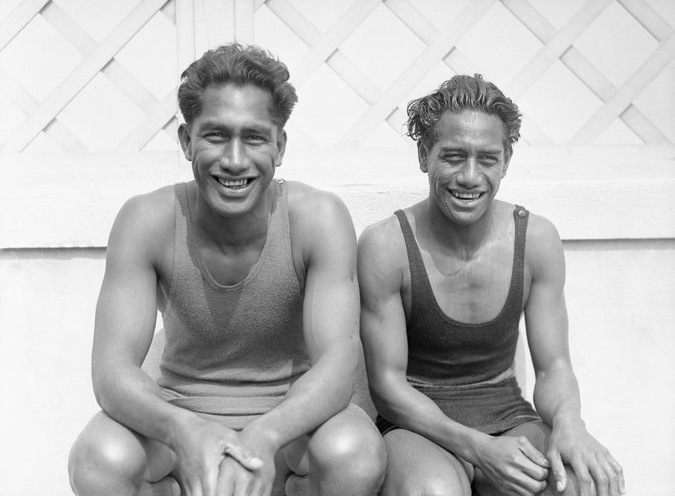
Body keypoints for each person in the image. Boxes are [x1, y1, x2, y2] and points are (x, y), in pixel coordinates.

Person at [68, 43, 385, 496]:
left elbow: (338, 364)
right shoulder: (147, 221)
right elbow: (111, 370)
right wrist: (184, 429)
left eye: (254, 138)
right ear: (186, 141)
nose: (235, 160)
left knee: (355, 454)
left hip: (289, 425)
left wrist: (266, 435)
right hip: (181, 422)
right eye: (215, 136)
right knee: (99, 460)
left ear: (279, 146)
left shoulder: (317, 218)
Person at [357, 74, 625, 496]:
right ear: (425, 155)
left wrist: (570, 423)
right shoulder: (387, 246)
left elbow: (553, 367)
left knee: (580, 482)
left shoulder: (535, 240)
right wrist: (479, 449)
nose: (470, 176)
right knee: (435, 491)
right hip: (418, 427)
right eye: (453, 157)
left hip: (506, 415)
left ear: (507, 160)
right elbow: (387, 386)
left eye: (487, 159)